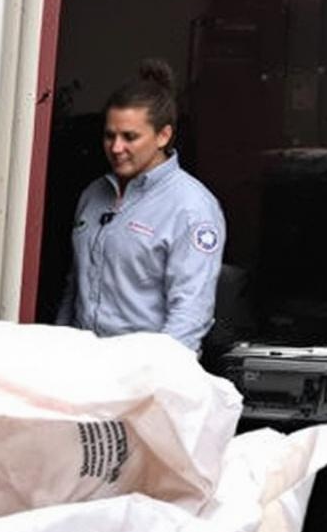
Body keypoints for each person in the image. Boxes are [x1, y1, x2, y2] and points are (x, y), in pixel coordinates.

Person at [54, 58, 225, 353]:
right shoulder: (93, 195)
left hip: (142, 375)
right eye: (110, 136)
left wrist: (155, 378)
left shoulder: (191, 208)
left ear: (163, 135)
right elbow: (75, 287)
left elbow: (190, 313)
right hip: (82, 367)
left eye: (130, 137)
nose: (116, 148)